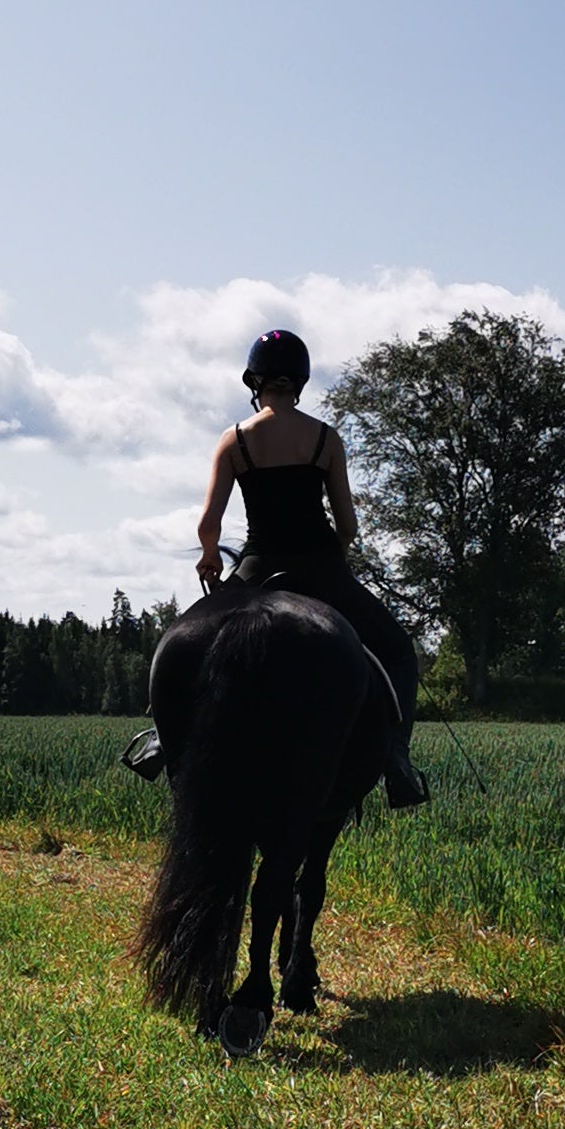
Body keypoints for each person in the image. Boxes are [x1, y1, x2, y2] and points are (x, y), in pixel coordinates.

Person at [183, 330, 428, 808]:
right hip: (321, 568)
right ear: (301, 382)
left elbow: (208, 524)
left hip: (257, 567)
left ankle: (160, 735)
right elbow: (349, 526)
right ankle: (396, 760)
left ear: (253, 381)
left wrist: (211, 556)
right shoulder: (325, 438)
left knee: (189, 642)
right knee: (398, 653)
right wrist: (331, 555)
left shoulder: (235, 440)